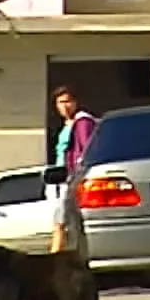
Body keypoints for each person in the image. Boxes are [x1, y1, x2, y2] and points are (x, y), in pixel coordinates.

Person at [49, 87, 97, 259]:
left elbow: (85, 150)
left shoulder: (82, 122)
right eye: (60, 102)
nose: (65, 106)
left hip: (72, 178)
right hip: (61, 178)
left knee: (61, 222)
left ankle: (55, 258)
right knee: (59, 221)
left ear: (76, 102)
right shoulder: (66, 126)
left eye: (68, 101)